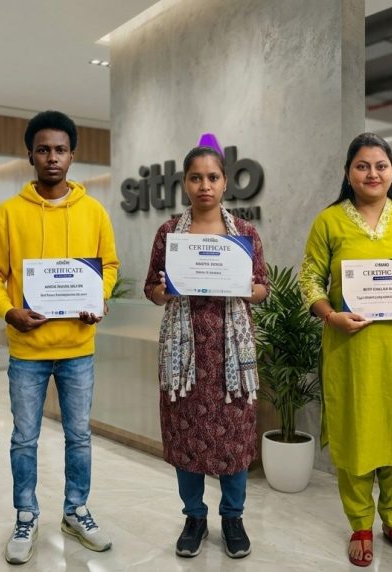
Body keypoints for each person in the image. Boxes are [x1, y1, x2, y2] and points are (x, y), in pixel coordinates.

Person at [0, 110, 120, 565]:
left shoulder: (94, 212)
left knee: (79, 436)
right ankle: (26, 514)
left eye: (60, 150)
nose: (52, 157)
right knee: (24, 438)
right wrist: (9, 311)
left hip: (78, 348)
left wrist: (99, 296)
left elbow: (109, 265)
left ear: (72, 155)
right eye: (43, 150)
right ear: (30, 156)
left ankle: (76, 510)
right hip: (28, 351)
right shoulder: (9, 213)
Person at [298, 133, 392, 567]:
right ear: (348, 172)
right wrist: (330, 316)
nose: (372, 173)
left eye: (381, 165)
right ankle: (360, 522)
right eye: (362, 166)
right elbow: (309, 279)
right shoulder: (329, 221)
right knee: (355, 434)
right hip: (350, 351)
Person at [144, 145, 269, 560]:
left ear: (225, 182)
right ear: (185, 183)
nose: (205, 185)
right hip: (184, 359)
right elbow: (151, 289)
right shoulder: (170, 234)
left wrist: (243, 286)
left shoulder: (244, 233)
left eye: (212, 177)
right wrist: (164, 290)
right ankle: (194, 517)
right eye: (196, 177)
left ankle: (233, 517)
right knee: (186, 439)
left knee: (235, 440)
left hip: (230, 356)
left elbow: (263, 287)